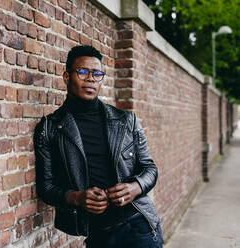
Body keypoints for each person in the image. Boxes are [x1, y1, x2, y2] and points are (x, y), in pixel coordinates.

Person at [34, 45, 164, 248]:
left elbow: (150, 168)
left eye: (97, 74)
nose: (90, 79)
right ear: (67, 77)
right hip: (97, 236)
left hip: (138, 227)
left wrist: (134, 187)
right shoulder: (50, 128)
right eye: (83, 72)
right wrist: (76, 198)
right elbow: (46, 187)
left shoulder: (126, 121)